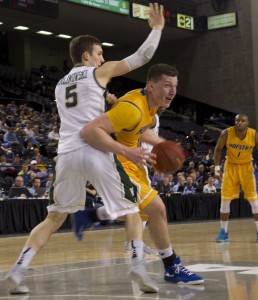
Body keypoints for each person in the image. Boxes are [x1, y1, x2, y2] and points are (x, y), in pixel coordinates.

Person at [5, 3, 165, 295]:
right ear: (86, 56)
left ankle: (17, 270)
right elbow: (142, 56)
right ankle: (138, 267)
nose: (103, 57)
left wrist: (106, 100)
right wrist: (156, 28)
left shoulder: (59, 85)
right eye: (100, 53)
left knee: (53, 218)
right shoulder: (99, 73)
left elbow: (80, 107)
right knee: (131, 210)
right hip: (95, 149)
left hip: (66, 155)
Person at [80, 63, 204, 285]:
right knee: (157, 208)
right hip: (114, 163)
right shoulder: (132, 107)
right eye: (167, 85)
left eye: (175, 86)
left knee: (144, 212)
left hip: (132, 164)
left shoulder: (150, 105)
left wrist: (163, 143)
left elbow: (138, 129)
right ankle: (170, 265)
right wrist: (126, 150)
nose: (173, 91)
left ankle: (90, 216)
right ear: (151, 86)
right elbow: (89, 131)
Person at [214, 113, 258, 243]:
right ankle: (224, 232)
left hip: (247, 168)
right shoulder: (226, 133)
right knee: (225, 200)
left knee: (253, 200)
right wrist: (217, 169)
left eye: (243, 121)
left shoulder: (255, 135)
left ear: (247, 123)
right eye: (237, 120)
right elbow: (218, 150)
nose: (239, 122)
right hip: (230, 167)